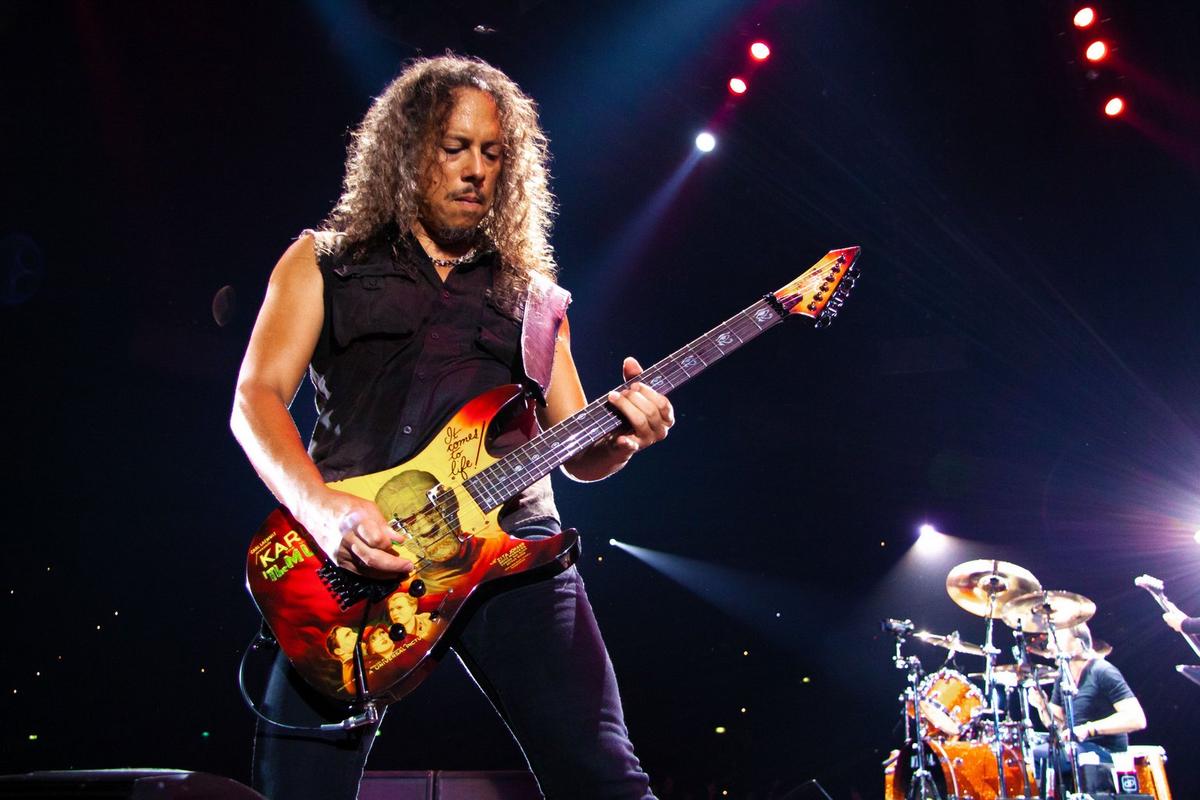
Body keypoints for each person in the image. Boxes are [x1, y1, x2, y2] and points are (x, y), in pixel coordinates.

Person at [230, 54, 673, 799]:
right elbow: (256, 397)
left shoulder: (537, 299)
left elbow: (579, 451)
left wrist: (623, 437)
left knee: (604, 780)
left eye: (493, 154)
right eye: (455, 147)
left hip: (513, 553)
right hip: (353, 559)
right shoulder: (323, 261)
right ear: (408, 151)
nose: (476, 171)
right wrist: (324, 510)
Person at [1028, 623, 1147, 790]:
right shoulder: (1063, 677)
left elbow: (1136, 719)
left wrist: (1089, 729)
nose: (1049, 646)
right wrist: (1042, 705)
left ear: (1077, 645)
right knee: (1036, 754)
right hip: (1078, 749)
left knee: (1041, 755)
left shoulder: (1102, 671)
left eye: (1056, 641)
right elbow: (1056, 725)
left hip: (1105, 752)